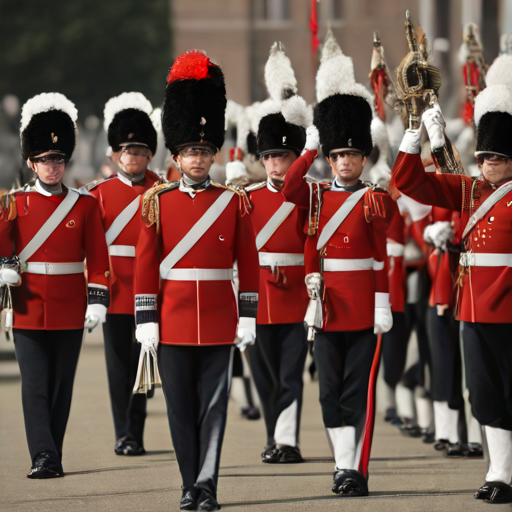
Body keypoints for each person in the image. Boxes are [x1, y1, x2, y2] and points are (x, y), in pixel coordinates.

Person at [134, 50, 259, 511]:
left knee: (215, 409)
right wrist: (146, 318)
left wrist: (247, 315)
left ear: (214, 154)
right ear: (178, 154)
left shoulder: (233, 202)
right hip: (173, 320)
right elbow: (146, 263)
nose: (199, 158)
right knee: (180, 411)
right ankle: (189, 483)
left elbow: (248, 262)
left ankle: (207, 486)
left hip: (221, 321)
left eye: (205, 151)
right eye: (191, 151)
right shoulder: (157, 202)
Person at [391, 52, 512, 504]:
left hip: (509, 305)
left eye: (497, 158)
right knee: (484, 393)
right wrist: (415, 135)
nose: (489, 165)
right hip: (475, 307)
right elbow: (410, 183)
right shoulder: (470, 188)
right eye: (484, 157)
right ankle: (500, 472)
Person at [281, 30, 393, 497]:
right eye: (338, 155)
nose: (345, 162)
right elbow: (288, 188)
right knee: (329, 390)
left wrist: (383, 303)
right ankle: (342, 466)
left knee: (357, 391)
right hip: (325, 306)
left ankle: (355, 469)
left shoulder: (373, 197)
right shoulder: (314, 193)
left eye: (351, 154)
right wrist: (308, 148)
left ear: (363, 158)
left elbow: (381, 251)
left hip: (363, 304)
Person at [0, 93, 110, 478]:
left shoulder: (85, 205)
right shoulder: (14, 203)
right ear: (31, 162)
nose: (53, 166)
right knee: (35, 384)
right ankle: (43, 455)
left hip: (69, 306)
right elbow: (1, 245)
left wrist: (97, 299)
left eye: (58, 159)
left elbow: (98, 258)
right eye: (46, 160)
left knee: (62, 387)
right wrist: (4, 266)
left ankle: (53, 453)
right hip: (28, 305)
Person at [239, 42, 312, 463]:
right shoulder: (244, 199)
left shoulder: (309, 196)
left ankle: (287, 440)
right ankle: (273, 435)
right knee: (264, 375)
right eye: (268, 157)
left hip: (297, 294)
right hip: (257, 296)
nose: (274, 164)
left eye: (282, 156)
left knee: (290, 374)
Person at [85, 92, 161, 456]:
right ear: (116, 153)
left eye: (142, 151)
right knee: (119, 368)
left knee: (144, 363)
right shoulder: (97, 194)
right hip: (115, 290)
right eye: (129, 151)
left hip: (151, 289)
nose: (135, 157)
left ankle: (138, 431)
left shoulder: (161, 191)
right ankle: (124, 433)